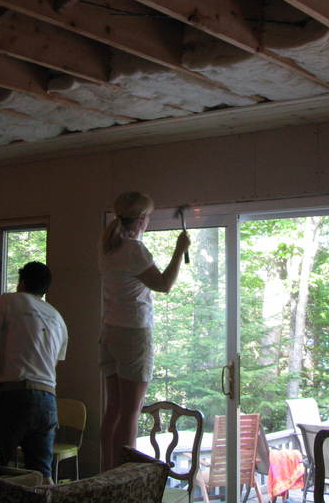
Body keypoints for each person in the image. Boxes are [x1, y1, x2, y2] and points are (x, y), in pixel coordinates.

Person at [99, 191, 190, 470]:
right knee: (131, 412)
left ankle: (107, 472)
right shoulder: (134, 250)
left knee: (114, 407)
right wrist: (180, 250)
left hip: (110, 331)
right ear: (141, 219)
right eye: (148, 216)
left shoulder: (110, 248)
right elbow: (164, 284)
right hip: (133, 334)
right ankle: (123, 477)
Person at [0, 261, 68, 484]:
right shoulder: (58, 318)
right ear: (45, 289)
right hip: (48, 401)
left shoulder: (9, 300)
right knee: (41, 477)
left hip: (15, 396)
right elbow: (51, 365)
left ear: (21, 282)